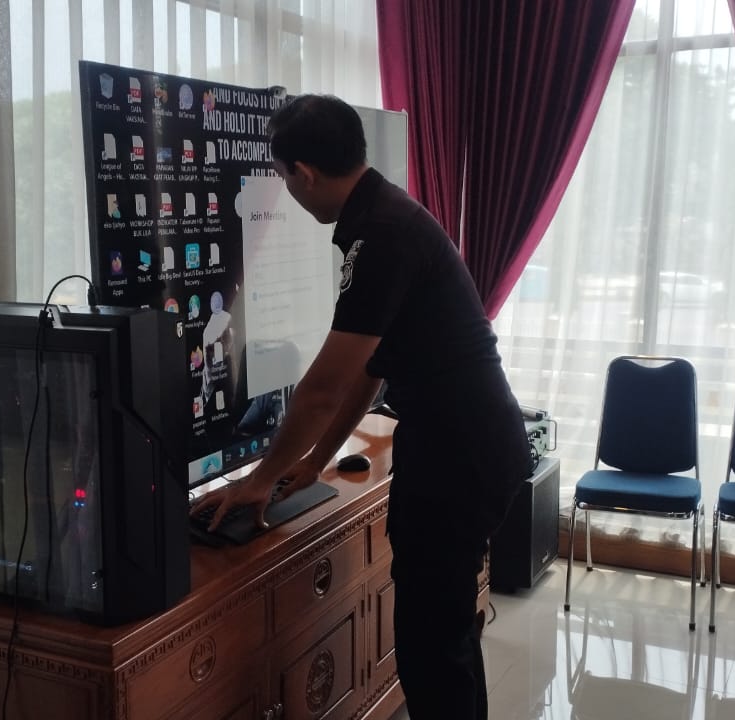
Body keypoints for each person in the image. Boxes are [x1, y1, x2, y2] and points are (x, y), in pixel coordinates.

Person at [190, 94, 534, 720]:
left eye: (283, 177)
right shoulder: (381, 215)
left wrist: (260, 480)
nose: (288, 190)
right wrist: (314, 459)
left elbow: (323, 386)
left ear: (303, 173)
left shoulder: (382, 233)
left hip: (459, 456)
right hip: (463, 444)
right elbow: (370, 368)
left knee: (431, 646)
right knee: (448, 634)